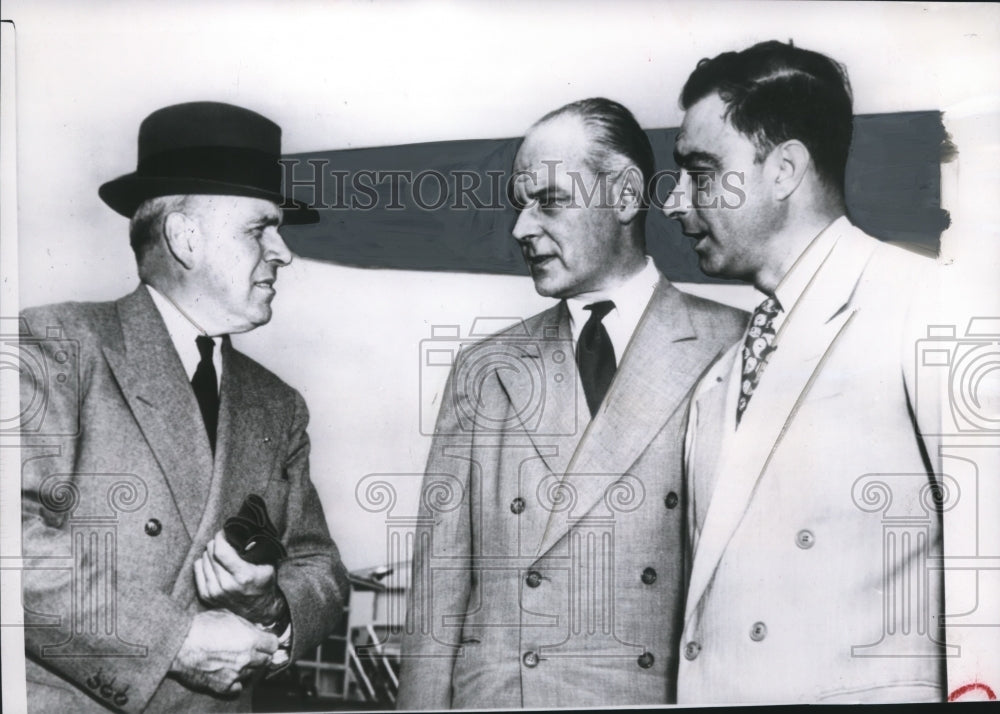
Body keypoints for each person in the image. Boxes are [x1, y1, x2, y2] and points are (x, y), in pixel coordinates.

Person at [666, 41, 992, 703]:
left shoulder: (930, 305)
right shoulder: (718, 381)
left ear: (784, 169)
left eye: (700, 174)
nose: (675, 203)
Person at [397, 98, 746, 709]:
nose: (521, 229)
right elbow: (437, 591)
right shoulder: (484, 369)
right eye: (520, 205)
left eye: (550, 201)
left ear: (624, 195)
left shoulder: (734, 345)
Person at [19, 101, 348, 712]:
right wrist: (171, 641)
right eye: (259, 228)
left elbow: (319, 566)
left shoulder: (279, 406)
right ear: (184, 237)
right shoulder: (57, 347)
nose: (283, 252)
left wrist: (270, 604)